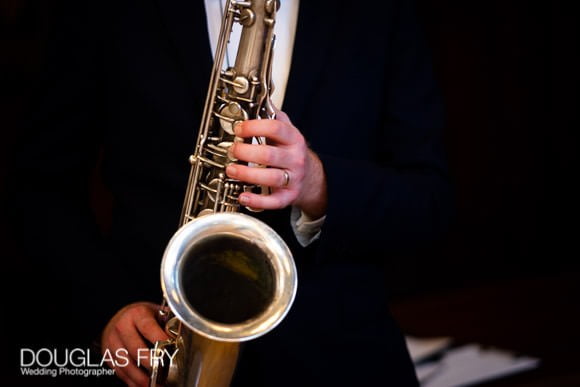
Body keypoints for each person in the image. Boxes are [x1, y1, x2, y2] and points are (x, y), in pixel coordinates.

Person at [5, 0, 452, 386]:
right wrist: (105, 307)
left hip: (340, 362)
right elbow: (40, 185)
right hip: (157, 352)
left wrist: (317, 182)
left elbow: (430, 201)